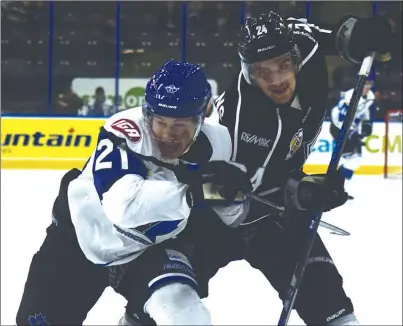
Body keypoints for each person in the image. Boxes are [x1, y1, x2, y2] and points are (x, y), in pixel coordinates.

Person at [168, 11, 391, 326]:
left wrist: (355, 35)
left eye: (284, 65)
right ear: (247, 71)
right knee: (163, 297)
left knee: (328, 303)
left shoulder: (305, 48)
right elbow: (225, 193)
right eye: (262, 72)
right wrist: (301, 191)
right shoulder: (246, 120)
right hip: (214, 216)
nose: (276, 80)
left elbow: (321, 34)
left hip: (273, 215)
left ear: (296, 56)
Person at [16, 59, 253, 326]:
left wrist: (232, 199)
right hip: (82, 238)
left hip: (149, 249)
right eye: (160, 122)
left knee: (186, 315)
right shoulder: (125, 130)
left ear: (201, 118)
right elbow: (122, 207)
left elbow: (231, 218)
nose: (167, 135)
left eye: (179, 126)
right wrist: (199, 192)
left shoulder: (218, 143)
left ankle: (137, 317)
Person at [330, 79, 375, 199]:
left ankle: (338, 188)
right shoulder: (351, 96)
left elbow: (364, 112)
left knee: (355, 159)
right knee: (350, 158)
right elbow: (343, 116)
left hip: (351, 129)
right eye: (364, 84)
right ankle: (333, 187)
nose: (366, 87)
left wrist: (366, 123)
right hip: (339, 127)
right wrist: (352, 133)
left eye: (368, 84)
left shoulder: (370, 96)